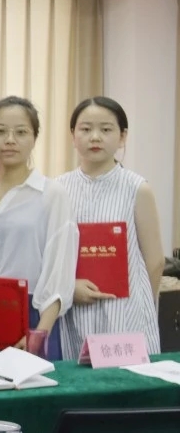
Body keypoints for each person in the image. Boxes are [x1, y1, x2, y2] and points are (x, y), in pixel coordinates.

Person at [55, 96, 163, 356]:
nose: (95, 137)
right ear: (73, 135)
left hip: (126, 315)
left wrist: (138, 307)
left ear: (122, 136)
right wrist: (68, 288)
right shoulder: (57, 189)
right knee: (78, 378)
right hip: (74, 311)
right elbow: (51, 259)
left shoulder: (137, 188)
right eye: (85, 129)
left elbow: (155, 261)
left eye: (105, 129)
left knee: (128, 379)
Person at [0, 96, 77, 360]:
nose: (10, 140)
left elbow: (59, 272)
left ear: (34, 137)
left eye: (21, 132)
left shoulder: (51, 194)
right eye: (0, 131)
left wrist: (38, 334)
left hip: (32, 317)